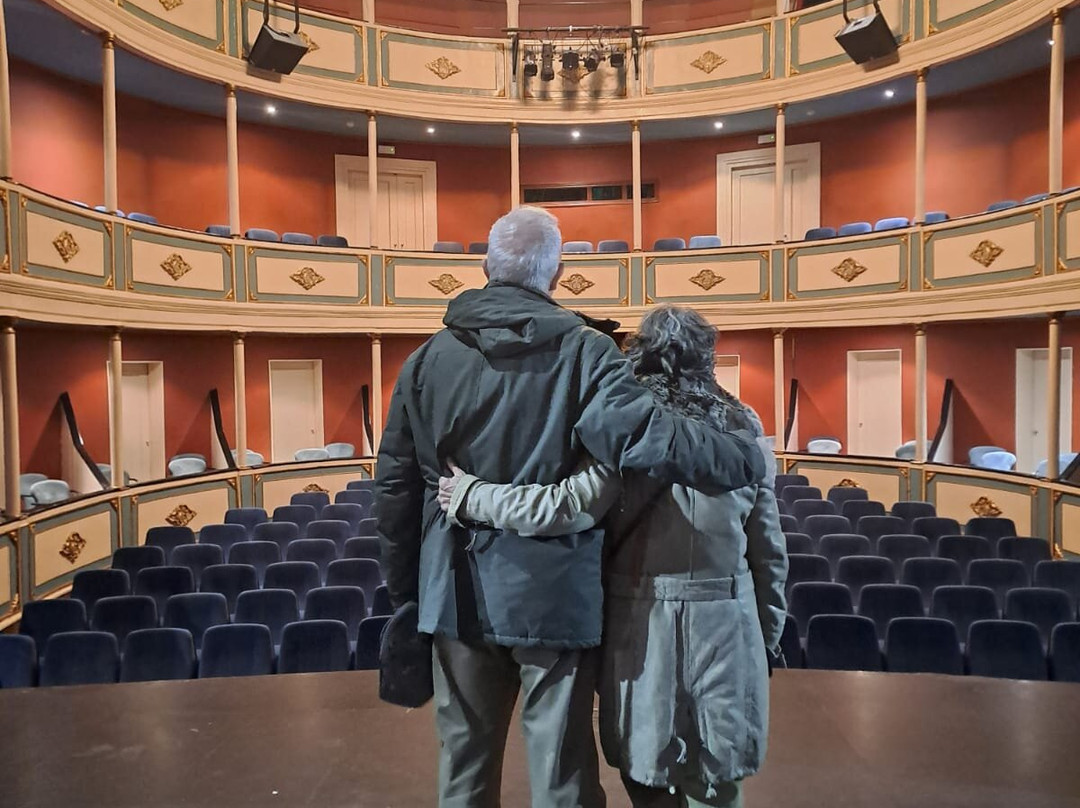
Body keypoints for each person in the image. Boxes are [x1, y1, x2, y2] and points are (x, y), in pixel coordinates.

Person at [375, 207, 766, 808]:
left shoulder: (426, 360)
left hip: (452, 591)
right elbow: (644, 434)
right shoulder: (586, 353)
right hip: (552, 596)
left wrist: (408, 593)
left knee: (464, 769)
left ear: (485, 266)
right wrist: (737, 457)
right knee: (561, 775)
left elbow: (396, 489)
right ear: (557, 272)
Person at [438, 305, 788, 808]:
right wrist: (767, 635)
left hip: (641, 626)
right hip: (729, 625)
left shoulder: (624, 427)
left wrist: (475, 496)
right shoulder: (744, 425)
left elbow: (567, 507)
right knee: (717, 782)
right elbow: (769, 551)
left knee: (648, 777)